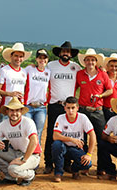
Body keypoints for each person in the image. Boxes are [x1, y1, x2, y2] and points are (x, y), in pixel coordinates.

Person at [43, 41, 81, 174]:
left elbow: (87, 76)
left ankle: (66, 163)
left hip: (70, 107)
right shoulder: (51, 65)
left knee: (67, 134)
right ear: (59, 53)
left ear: (71, 54)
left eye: (68, 51)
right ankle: (48, 163)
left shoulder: (75, 67)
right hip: (55, 105)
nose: (65, 53)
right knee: (51, 135)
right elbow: (40, 72)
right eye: (63, 51)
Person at [75, 48, 112, 175]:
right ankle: (84, 166)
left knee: (101, 139)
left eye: (92, 60)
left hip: (97, 111)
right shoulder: (79, 74)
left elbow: (110, 90)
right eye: (88, 60)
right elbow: (74, 88)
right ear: (84, 61)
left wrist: (100, 96)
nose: (90, 62)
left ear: (96, 62)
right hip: (83, 110)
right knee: (83, 139)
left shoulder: (103, 74)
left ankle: (101, 167)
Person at [0, 97, 41, 186]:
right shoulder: (3, 124)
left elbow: (34, 141)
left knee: (13, 169)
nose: (14, 113)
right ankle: (10, 178)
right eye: (11, 110)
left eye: (17, 110)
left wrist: (24, 159)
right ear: (7, 111)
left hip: (32, 155)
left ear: (21, 111)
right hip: (16, 152)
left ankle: (30, 175)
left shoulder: (28, 122)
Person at [52, 96, 96, 182]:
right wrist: (72, 139)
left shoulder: (83, 118)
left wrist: (89, 154)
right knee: (56, 145)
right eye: (68, 108)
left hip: (76, 148)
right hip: (63, 146)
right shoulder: (61, 118)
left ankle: (74, 169)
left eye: (73, 108)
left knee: (87, 164)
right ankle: (58, 172)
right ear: (64, 108)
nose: (70, 111)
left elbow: (92, 135)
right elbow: (55, 136)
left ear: (77, 108)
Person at [0, 42, 31, 124]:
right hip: (6, 108)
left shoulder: (24, 71)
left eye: (21, 56)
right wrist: (10, 94)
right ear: (11, 56)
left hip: (19, 109)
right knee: (2, 133)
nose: (18, 59)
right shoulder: (4, 70)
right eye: (16, 56)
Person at [24, 49, 51, 144]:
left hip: (41, 107)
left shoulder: (48, 72)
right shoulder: (29, 69)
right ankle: (25, 155)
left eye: (44, 58)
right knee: (27, 132)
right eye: (40, 58)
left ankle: (36, 156)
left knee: (38, 133)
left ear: (47, 60)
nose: (42, 60)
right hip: (28, 106)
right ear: (36, 59)